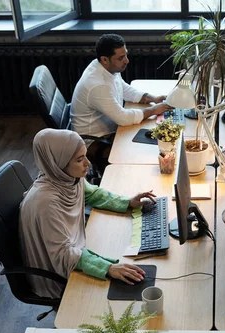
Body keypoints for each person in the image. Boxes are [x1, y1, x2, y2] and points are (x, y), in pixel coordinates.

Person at [19, 128, 156, 299]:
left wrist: (127, 202)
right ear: (60, 163)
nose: (88, 164)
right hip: (57, 270)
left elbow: (92, 193)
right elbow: (62, 254)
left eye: (85, 156)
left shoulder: (64, 178)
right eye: (79, 159)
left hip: (74, 247)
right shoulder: (45, 203)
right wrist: (107, 268)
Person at [70, 33, 171, 138]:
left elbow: (124, 89)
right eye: (120, 58)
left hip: (112, 129)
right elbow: (123, 118)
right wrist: (153, 110)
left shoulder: (106, 67)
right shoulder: (98, 85)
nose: (127, 60)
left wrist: (153, 98)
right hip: (95, 139)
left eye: (126, 54)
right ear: (104, 59)